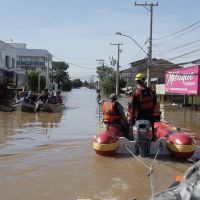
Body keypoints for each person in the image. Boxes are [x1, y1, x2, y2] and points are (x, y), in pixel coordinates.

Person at [130, 73, 157, 140]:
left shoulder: (136, 93)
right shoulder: (151, 91)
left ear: (136, 82)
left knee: (137, 131)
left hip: (140, 116)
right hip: (150, 115)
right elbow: (154, 103)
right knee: (151, 131)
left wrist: (132, 120)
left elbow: (133, 108)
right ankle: (152, 139)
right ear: (144, 80)